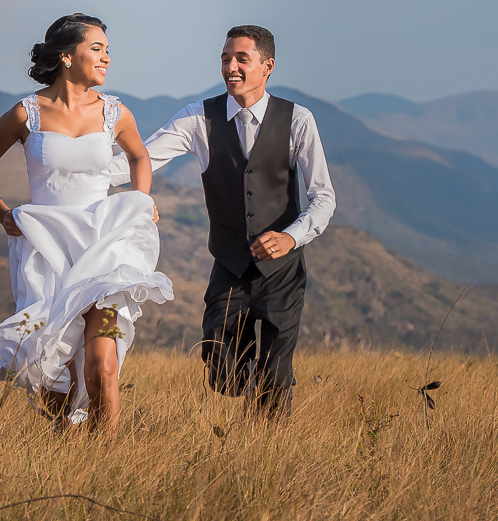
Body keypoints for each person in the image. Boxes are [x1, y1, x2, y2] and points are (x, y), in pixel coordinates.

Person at [109, 25, 335, 419]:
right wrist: (78, 175)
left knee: (274, 374)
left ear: (268, 66)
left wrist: (290, 237)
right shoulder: (200, 118)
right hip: (229, 266)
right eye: (225, 59)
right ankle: (251, 387)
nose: (230, 67)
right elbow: (142, 157)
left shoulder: (298, 120)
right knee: (220, 367)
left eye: (241, 59)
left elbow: (323, 197)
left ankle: (265, 445)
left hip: (282, 271)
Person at [0, 13, 173, 432]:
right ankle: (64, 450)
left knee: (103, 365)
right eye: (96, 48)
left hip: (105, 246)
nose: (106, 58)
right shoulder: (27, 114)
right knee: (53, 369)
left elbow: (139, 157)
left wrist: (141, 198)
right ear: (66, 56)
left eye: (108, 50)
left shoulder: (115, 112)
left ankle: (108, 459)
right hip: (48, 248)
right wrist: (4, 214)